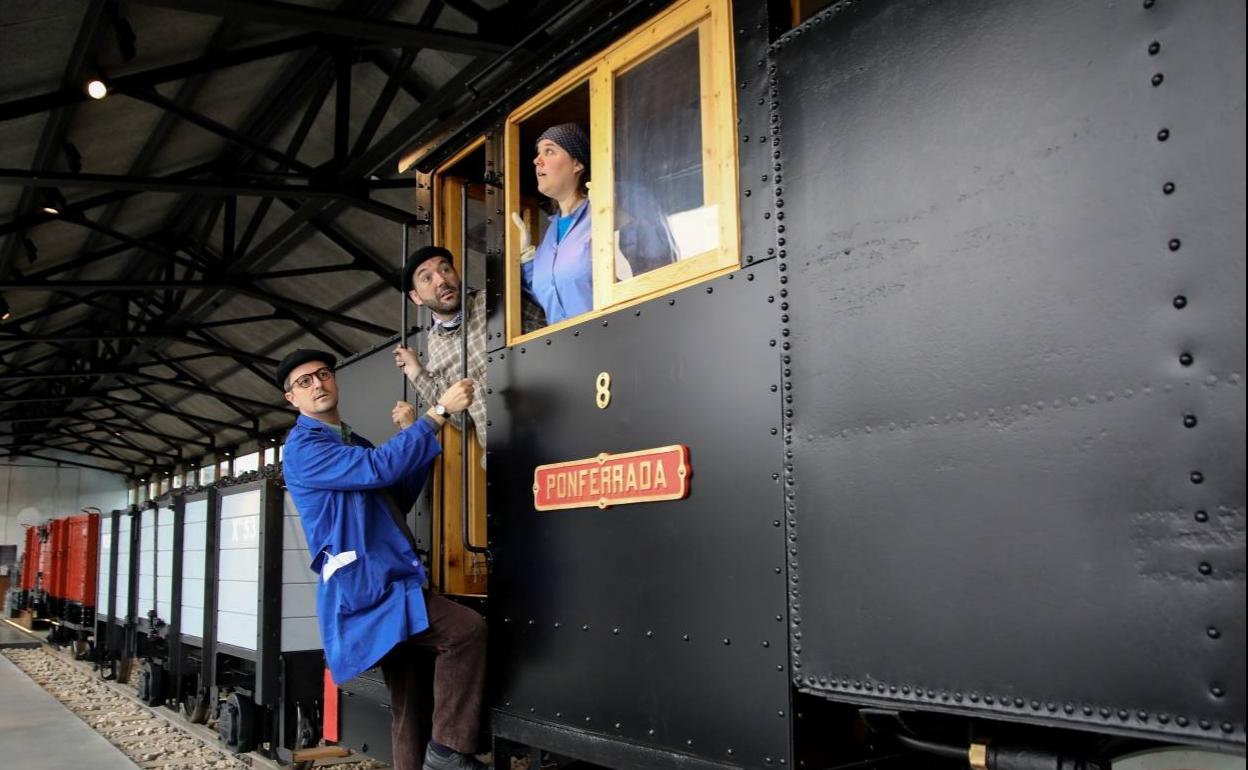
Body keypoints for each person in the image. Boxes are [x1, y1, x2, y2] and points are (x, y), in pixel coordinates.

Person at [277, 349, 487, 770]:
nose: (317, 384)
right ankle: (447, 754)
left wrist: (415, 433)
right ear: (292, 399)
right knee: (466, 632)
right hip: (370, 585)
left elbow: (397, 496)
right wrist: (438, 412)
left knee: (410, 702)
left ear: (335, 381)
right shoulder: (303, 447)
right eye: (304, 382)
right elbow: (377, 469)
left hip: (386, 580)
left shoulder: (352, 443)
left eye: (323, 375)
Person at [515, 122, 593, 324]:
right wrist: (526, 257)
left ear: (577, 164)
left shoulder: (600, 213)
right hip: (564, 348)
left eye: (549, 151)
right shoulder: (550, 233)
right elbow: (548, 292)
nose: (537, 160)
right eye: (538, 153)